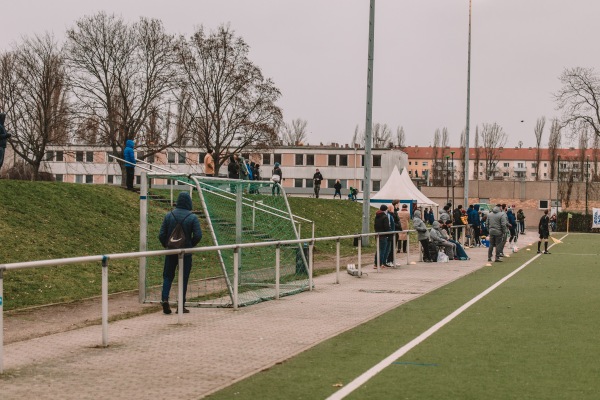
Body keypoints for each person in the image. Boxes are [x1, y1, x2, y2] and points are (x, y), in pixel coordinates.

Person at [158, 192, 203, 314]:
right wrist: (190, 244)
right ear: (189, 202)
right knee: (183, 278)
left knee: (168, 276)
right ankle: (180, 305)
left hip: (171, 251)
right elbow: (198, 235)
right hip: (186, 253)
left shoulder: (169, 215)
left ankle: (165, 299)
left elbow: (161, 235)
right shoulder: (192, 217)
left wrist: (167, 245)